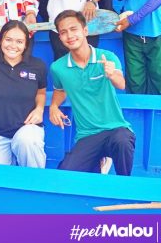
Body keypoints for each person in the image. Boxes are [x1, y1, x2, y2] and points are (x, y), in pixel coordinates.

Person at [49, 11, 135, 176]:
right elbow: (60, 89)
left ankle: (125, 184)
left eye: (74, 29)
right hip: (86, 135)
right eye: (63, 32)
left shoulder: (107, 57)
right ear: (60, 37)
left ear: (85, 31)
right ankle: (99, 160)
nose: (70, 35)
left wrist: (112, 74)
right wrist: (53, 106)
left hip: (114, 129)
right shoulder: (58, 67)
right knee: (66, 174)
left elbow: (121, 84)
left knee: (123, 140)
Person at [0, 20, 47, 168]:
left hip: (27, 128)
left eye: (19, 41)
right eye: (8, 39)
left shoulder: (38, 66)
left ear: (26, 44)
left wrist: (39, 109)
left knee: (29, 141)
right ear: (0, 40)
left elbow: (41, 92)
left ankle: (32, 185)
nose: (13, 45)